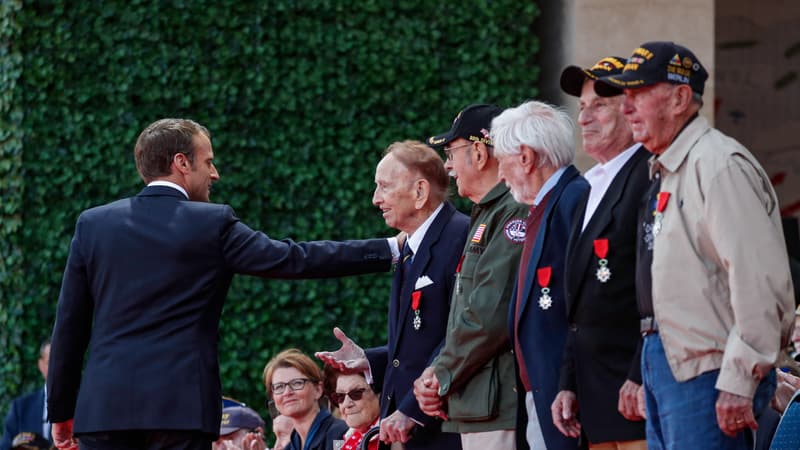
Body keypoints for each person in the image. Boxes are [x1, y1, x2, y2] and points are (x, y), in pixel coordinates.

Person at [46, 118, 398, 450]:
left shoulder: (93, 224)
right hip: (180, 411)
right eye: (208, 161)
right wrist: (389, 248)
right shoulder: (212, 222)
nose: (214, 173)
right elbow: (293, 259)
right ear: (182, 163)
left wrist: (60, 409)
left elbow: (69, 327)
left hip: (104, 410)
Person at [595, 40, 795, 449]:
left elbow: (760, 280)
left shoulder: (719, 165)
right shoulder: (668, 169)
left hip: (711, 374)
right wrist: (643, 369)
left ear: (680, 98)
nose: (626, 106)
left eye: (638, 94)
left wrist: (741, 379)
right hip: (671, 366)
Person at [317, 140, 469, 449]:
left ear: (420, 192)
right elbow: (419, 342)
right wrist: (368, 359)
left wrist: (411, 411)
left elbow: (463, 336)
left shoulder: (461, 237)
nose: (376, 199)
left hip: (448, 425)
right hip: (413, 430)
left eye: (384, 187)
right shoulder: (410, 246)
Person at [412, 104, 528, 449]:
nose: (447, 165)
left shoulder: (513, 209)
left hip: (498, 403)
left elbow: (489, 312)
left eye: (451, 152)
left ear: (478, 152)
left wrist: (440, 373)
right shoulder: (488, 213)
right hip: (478, 400)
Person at [549, 56, 649, 449]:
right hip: (593, 402)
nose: (585, 118)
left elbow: (658, 288)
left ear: (632, 110)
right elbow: (579, 303)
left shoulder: (650, 174)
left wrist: (640, 373)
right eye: (582, 108)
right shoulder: (592, 184)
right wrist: (568, 383)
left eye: (600, 105)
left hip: (633, 395)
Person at [492, 100, 589, 450]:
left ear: (525, 157)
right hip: (544, 390)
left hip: (565, 393)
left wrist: (568, 382)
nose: (500, 175)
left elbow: (582, 304)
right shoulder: (550, 203)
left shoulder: (574, 200)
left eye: (501, 162)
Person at [263, 349, 346, 450]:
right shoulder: (291, 447)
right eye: (279, 387)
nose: (287, 392)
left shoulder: (340, 435)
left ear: (318, 390)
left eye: (297, 383)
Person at [1, 340, 51, 450]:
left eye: (61, 362)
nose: (56, 368)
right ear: (41, 365)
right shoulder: (20, 408)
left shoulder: (83, 406)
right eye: (50, 362)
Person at [333, 373, 381, 450]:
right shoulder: (343, 436)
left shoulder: (392, 436)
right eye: (340, 396)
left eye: (356, 393)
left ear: (379, 394)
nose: (346, 404)